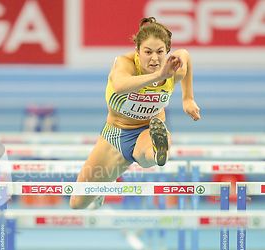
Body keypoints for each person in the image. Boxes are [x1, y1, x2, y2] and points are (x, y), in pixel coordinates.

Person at [70, 17, 200, 209]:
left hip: (149, 128)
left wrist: (188, 98)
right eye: (148, 52)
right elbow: (120, 86)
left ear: (167, 52)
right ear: (137, 51)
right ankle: (102, 188)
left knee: (148, 156)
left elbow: (185, 55)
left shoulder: (174, 68)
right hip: (115, 134)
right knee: (77, 203)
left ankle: (157, 150)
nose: (155, 58)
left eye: (160, 52)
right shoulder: (125, 63)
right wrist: (158, 76)